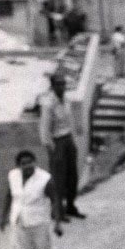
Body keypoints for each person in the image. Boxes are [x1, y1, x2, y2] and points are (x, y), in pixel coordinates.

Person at [0, 150, 69, 249]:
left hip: (38, 221)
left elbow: (55, 200)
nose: (27, 166)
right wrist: (3, 217)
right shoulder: (13, 176)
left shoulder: (44, 179)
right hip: (18, 220)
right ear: (18, 166)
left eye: (30, 162)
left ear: (35, 162)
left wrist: (57, 222)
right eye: (23, 164)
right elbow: (9, 195)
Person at [39, 72, 86, 221]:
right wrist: (50, 148)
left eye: (63, 84)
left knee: (72, 176)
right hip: (56, 141)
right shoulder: (48, 104)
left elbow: (70, 121)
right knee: (58, 179)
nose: (62, 87)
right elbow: (44, 129)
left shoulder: (66, 100)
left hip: (68, 140)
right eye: (58, 84)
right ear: (52, 86)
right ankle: (57, 212)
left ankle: (71, 206)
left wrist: (73, 140)